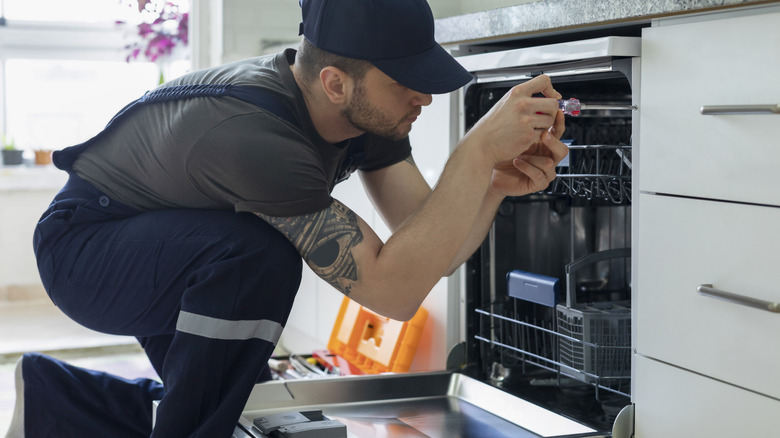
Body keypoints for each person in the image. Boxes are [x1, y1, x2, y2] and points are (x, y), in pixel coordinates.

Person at [6, 0, 567, 437]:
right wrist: (471, 152)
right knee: (260, 260)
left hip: (176, 241)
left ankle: (54, 398)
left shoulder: (364, 117)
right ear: (335, 83)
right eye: (404, 80)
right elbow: (392, 291)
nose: (422, 94)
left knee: (238, 406)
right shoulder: (258, 139)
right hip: (87, 250)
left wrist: (489, 184)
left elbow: (428, 254)